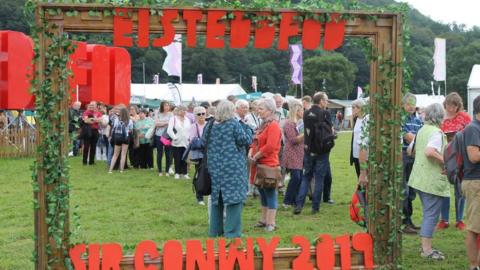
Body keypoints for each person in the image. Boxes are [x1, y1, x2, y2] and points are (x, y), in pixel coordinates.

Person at [408, 103, 448, 260]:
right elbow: (430, 151)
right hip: (430, 180)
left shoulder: (421, 130)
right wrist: (444, 161)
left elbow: (410, 150)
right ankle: (427, 250)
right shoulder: (437, 133)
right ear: (440, 117)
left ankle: (426, 246)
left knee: (428, 214)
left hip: (418, 178)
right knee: (431, 215)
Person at [207, 100, 253, 238]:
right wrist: (248, 129)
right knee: (235, 199)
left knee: (217, 199)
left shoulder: (210, 125)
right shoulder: (233, 124)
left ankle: (215, 231)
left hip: (215, 166)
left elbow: (204, 140)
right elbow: (245, 140)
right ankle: (232, 232)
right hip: (233, 168)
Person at [294, 92, 334, 215]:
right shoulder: (325, 113)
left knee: (306, 177)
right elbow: (330, 130)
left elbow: (307, 131)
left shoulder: (306, 113)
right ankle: (315, 207)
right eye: (326, 100)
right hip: (321, 150)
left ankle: (299, 204)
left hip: (308, 149)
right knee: (319, 179)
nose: (327, 103)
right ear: (321, 101)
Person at [437, 92, 472, 230]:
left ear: (458, 106)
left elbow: (471, 132)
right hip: (445, 155)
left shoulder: (464, 117)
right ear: (445, 105)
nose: (451, 108)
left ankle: (459, 219)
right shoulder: (441, 118)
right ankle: (444, 219)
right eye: (448, 105)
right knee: (444, 189)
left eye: (454, 106)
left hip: (461, 156)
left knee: (460, 188)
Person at [249, 98, 282, 232]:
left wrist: (256, 156)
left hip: (268, 164)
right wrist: (251, 152)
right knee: (262, 192)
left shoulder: (273, 125)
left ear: (269, 110)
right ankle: (264, 220)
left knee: (270, 192)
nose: (258, 111)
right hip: (258, 163)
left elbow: (271, 146)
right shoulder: (263, 125)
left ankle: (271, 223)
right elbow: (255, 141)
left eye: (261, 109)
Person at [462, 95, 480, 270]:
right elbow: (474, 156)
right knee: (474, 228)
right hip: (475, 183)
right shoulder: (473, 129)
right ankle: (473, 266)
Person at [401, 93, 423, 234]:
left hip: (414, 156)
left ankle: (409, 220)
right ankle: (404, 222)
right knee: (404, 190)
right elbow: (407, 137)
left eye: (413, 103)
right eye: (408, 104)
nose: (410, 106)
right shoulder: (400, 120)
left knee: (412, 190)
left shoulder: (417, 120)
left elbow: (420, 135)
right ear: (403, 105)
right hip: (404, 156)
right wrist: (418, 139)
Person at [281, 100, 304, 208]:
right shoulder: (289, 124)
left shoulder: (299, 123)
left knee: (299, 177)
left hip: (299, 152)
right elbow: (293, 140)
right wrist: (305, 134)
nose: (303, 111)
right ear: (296, 110)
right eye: (301, 109)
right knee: (296, 177)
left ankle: (294, 200)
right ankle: (287, 201)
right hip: (292, 153)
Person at [188, 106, 208, 205]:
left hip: (209, 153)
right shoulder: (193, 126)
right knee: (200, 174)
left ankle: (208, 192)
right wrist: (202, 141)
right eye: (199, 114)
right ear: (195, 116)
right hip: (199, 154)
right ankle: (199, 197)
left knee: (209, 174)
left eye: (203, 113)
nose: (201, 116)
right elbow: (192, 140)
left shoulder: (208, 124)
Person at [167, 105, 191, 179]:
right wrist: (175, 138)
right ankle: (177, 173)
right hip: (177, 142)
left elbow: (189, 130)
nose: (183, 111)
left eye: (184, 110)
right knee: (177, 158)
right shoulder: (173, 119)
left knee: (185, 158)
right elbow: (169, 130)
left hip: (186, 142)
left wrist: (189, 138)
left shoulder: (187, 119)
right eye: (182, 110)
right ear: (178, 111)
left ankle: (185, 173)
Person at [108, 106, 133, 173]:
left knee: (115, 154)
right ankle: (121, 170)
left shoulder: (117, 119)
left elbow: (114, 127)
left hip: (118, 137)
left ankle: (110, 170)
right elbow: (131, 130)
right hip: (126, 138)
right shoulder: (130, 120)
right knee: (123, 154)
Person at [154, 101, 173, 176]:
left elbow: (171, 124)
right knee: (159, 153)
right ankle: (160, 171)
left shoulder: (171, 114)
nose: (167, 107)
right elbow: (156, 124)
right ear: (162, 106)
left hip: (167, 136)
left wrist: (161, 123)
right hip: (158, 135)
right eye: (165, 105)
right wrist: (166, 122)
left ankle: (167, 171)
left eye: (168, 105)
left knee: (168, 154)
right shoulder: (158, 114)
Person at [350, 98, 368, 178]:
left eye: (354, 107)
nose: (352, 109)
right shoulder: (356, 119)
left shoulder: (366, 119)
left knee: (364, 180)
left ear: (361, 108)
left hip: (364, 156)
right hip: (356, 155)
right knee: (359, 179)